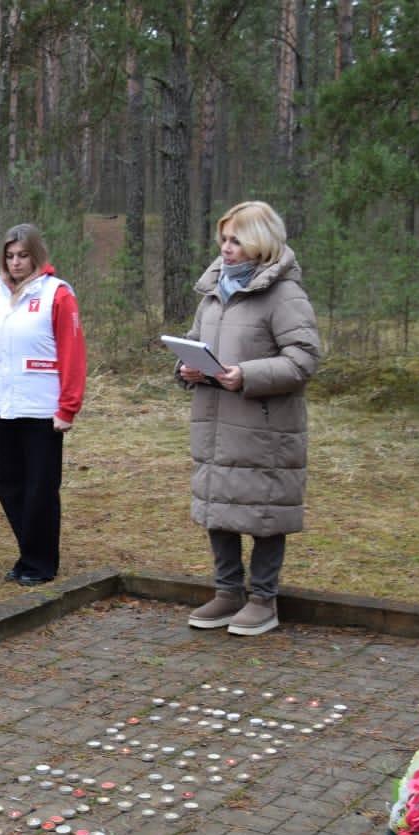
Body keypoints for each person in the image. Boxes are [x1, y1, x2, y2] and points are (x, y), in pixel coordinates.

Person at [176, 200, 320, 636]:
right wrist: (186, 368)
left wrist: (248, 375)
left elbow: (304, 359)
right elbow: (194, 341)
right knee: (218, 507)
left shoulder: (285, 294)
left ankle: (263, 598)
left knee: (263, 512)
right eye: (223, 239)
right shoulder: (213, 292)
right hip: (214, 421)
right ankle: (227, 591)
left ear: (259, 241)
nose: (227, 248)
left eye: (236, 239)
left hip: (264, 426)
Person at [0, 223, 87, 586]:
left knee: (40, 487)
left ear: (36, 255)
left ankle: (41, 562)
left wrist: (68, 406)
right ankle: (28, 553)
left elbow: (72, 353)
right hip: (0, 405)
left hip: (41, 407)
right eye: (10, 256)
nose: (16, 262)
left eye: (23, 255)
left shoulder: (57, 293)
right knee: (9, 485)